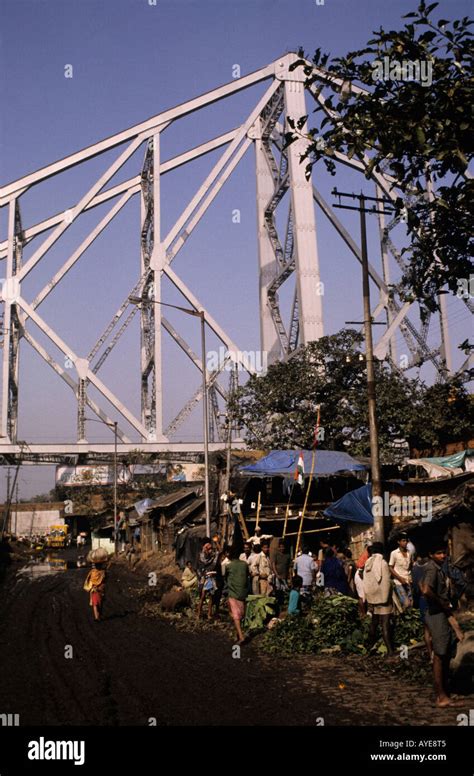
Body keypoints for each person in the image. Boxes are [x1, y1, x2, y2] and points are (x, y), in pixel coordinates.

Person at [421, 542, 465, 707]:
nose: (443, 556)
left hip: (441, 614)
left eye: (443, 553)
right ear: (431, 554)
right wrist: (440, 602)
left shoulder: (439, 568)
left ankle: (445, 692)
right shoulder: (432, 569)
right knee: (439, 655)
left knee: (445, 653)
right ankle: (441, 696)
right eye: (438, 553)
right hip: (435, 614)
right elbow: (425, 589)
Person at [363, 543, 395, 656]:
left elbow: (366, 582)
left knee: (374, 623)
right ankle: (390, 651)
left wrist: (369, 597)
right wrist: (386, 597)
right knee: (385, 625)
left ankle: (368, 647)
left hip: (372, 598)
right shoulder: (383, 563)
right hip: (383, 599)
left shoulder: (368, 563)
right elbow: (386, 583)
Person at [225, 545, 250, 644]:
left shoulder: (229, 566)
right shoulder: (244, 564)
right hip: (243, 593)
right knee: (240, 614)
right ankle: (238, 634)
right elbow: (247, 575)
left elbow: (225, 578)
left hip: (234, 593)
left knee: (235, 616)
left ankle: (241, 636)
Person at [389, 532, 413, 611]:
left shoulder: (409, 553)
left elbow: (410, 566)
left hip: (408, 581)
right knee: (406, 603)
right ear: (398, 542)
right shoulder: (394, 553)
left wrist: (410, 576)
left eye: (406, 541)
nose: (405, 542)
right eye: (403, 541)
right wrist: (399, 578)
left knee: (411, 603)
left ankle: (407, 620)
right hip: (399, 582)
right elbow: (390, 568)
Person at [197, 541, 218, 620]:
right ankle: (199, 613)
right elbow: (199, 569)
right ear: (205, 549)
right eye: (209, 549)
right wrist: (202, 575)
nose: (210, 550)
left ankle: (209, 614)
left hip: (211, 578)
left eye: (211, 549)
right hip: (203, 578)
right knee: (202, 596)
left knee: (211, 597)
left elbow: (214, 565)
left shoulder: (213, 557)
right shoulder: (201, 557)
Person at [272, 540, 291, 606]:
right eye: (281, 547)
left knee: (285, 591)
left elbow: (289, 567)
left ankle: (284, 605)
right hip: (277, 576)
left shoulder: (288, 555)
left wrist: (290, 577)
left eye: (283, 547)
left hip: (284, 576)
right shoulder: (276, 554)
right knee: (278, 591)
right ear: (279, 547)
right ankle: (279, 605)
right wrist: (277, 575)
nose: (282, 548)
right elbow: (273, 565)